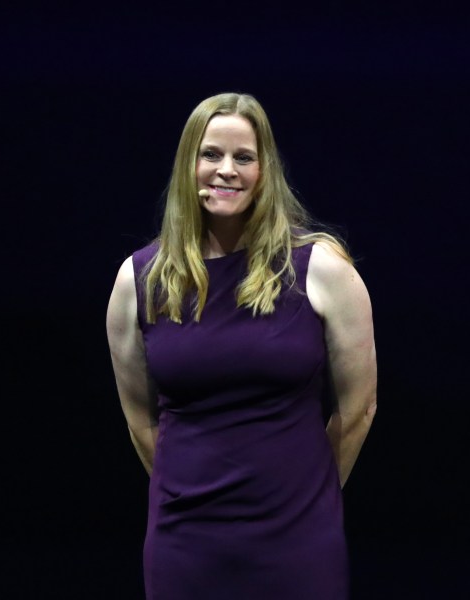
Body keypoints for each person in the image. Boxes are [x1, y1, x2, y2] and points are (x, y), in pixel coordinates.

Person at [105, 92, 377, 600]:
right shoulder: (139, 279)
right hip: (185, 541)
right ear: (189, 164)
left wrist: (308, 498)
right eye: (210, 154)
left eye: (243, 157)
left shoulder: (322, 271)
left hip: (298, 539)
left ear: (264, 169)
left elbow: (358, 410)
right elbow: (141, 420)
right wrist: (185, 492)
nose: (226, 170)